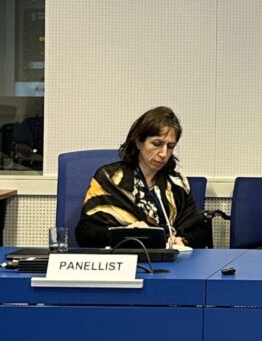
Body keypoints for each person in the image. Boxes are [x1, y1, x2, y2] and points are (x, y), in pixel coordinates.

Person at [76, 106, 210, 248]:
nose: (164, 153)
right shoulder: (110, 178)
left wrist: (182, 240)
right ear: (139, 142)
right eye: (157, 144)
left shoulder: (177, 184)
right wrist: (124, 234)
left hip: (169, 264)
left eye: (170, 146)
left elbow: (200, 232)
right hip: (122, 260)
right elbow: (84, 233)